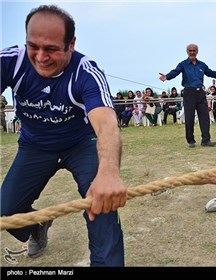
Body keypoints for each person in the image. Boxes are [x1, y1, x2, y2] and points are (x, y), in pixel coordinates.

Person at [0, 5, 127, 266]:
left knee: (101, 207)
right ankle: (38, 224)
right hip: (35, 146)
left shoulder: (85, 71)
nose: (41, 57)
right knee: (5, 212)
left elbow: (106, 124)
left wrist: (109, 174)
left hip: (81, 144)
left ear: (71, 44)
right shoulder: (11, 61)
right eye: (33, 46)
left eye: (52, 49)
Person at [159, 43, 216, 148]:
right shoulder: (183, 64)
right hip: (189, 93)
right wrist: (166, 77)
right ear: (187, 52)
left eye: (194, 50)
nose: (192, 52)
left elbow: (211, 73)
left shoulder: (202, 65)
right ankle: (191, 141)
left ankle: (206, 140)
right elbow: (175, 72)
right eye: (190, 51)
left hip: (201, 93)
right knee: (189, 118)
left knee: (204, 117)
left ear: (197, 52)